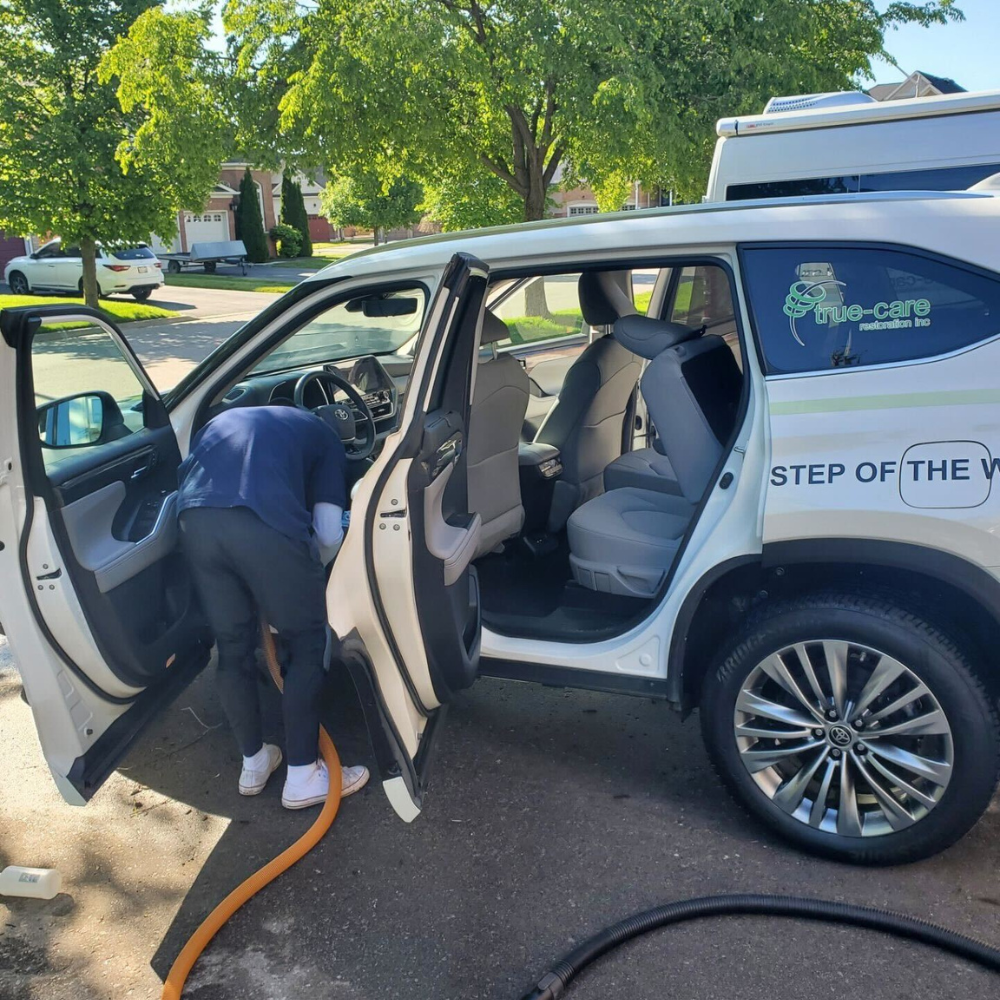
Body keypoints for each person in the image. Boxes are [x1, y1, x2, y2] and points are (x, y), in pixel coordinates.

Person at [176, 404, 369, 809]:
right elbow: (329, 534)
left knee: (232, 647)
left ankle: (254, 762)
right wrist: (295, 579)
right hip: (263, 524)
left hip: (195, 523)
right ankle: (303, 776)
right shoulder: (327, 440)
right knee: (307, 642)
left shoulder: (236, 421)